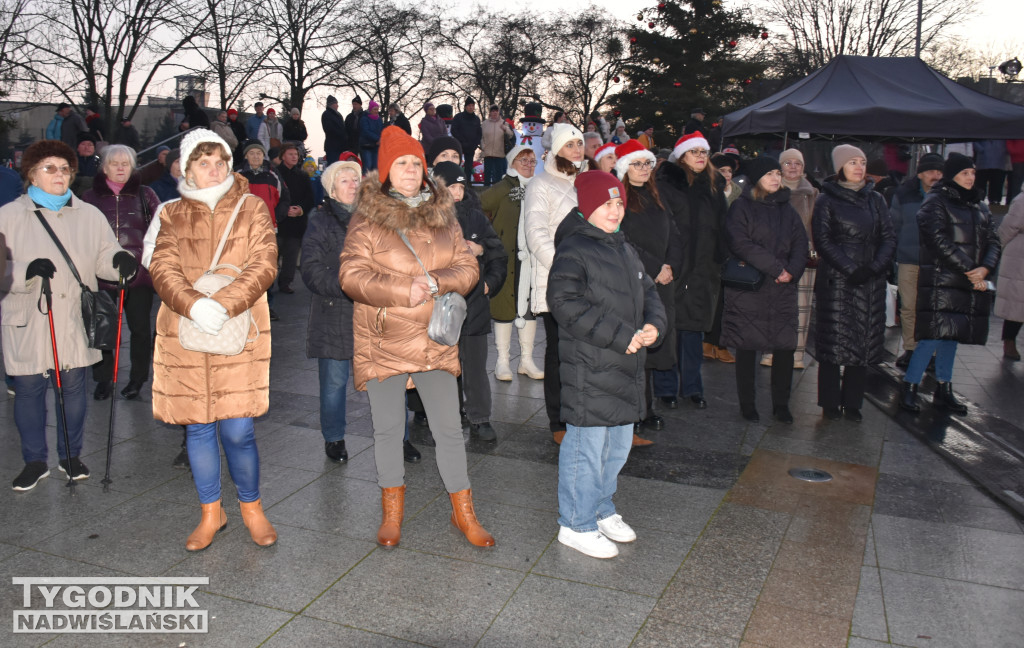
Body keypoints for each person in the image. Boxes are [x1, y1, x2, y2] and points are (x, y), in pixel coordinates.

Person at [339, 125, 494, 548]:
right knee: (389, 429)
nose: (409, 169)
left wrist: (439, 281)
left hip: (434, 338)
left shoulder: (445, 215)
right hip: (384, 339)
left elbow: (468, 267)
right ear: (387, 171)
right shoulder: (367, 218)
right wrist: (401, 289)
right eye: (401, 163)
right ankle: (392, 513)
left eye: (415, 163)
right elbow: (350, 275)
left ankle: (464, 512)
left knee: (449, 428)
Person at [149, 128, 278, 550]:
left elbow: (264, 262)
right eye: (204, 162)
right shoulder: (171, 213)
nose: (214, 169)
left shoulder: (251, 206)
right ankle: (211, 512)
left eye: (220, 161)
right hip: (186, 334)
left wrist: (222, 304)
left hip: (237, 330)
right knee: (199, 430)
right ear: (187, 169)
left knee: (239, 430)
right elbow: (162, 267)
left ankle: (252, 508)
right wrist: (193, 305)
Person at [0, 139, 133, 491]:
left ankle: (70, 455)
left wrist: (119, 261)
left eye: (64, 169)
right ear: (31, 174)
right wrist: (25, 270)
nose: (59, 174)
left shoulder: (89, 214)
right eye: (49, 168)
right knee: (29, 389)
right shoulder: (8, 215)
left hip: (74, 315)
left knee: (74, 388)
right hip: (29, 317)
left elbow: (105, 253)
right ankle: (34, 461)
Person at [547, 170, 666, 559]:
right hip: (590, 368)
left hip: (624, 368)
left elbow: (649, 292)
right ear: (587, 207)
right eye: (606, 204)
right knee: (586, 449)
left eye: (619, 204)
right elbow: (564, 303)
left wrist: (654, 325)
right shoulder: (575, 248)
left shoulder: (623, 247)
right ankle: (575, 524)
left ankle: (601, 509)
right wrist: (619, 335)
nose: (615, 211)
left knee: (616, 448)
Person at [899, 153, 1000, 414]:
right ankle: (910, 386)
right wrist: (971, 270)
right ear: (952, 175)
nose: (970, 178)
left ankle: (944, 389)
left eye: (973, 173)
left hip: (968, 281)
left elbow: (993, 240)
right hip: (942, 280)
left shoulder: (978, 205)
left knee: (952, 336)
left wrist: (985, 268)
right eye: (965, 173)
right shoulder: (936, 201)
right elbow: (937, 240)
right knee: (933, 336)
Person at [813, 145, 897, 422]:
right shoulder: (826, 200)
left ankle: (853, 402)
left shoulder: (877, 199)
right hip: (838, 280)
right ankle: (829, 401)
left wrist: (874, 267)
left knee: (863, 340)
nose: (859, 167)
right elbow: (823, 240)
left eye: (862, 162)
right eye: (852, 162)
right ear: (840, 167)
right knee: (833, 341)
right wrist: (850, 269)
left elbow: (888, 237)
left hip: (870, 280)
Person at [722, 158, 808, 422]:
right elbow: (740, 243)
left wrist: (792, 271)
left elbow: (801, 244)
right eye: (769, 173)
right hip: (751, 287)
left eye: (777, 173)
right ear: (757, 178)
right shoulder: (742, 207)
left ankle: (781, 404)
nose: (775, 178)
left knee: (784, 347)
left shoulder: (787, 209)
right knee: (747, 347)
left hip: (782, 289)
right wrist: (776, 268)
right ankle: (748, 404)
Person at [652, 132, 727, 411]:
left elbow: (722, 226)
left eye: (703, 152)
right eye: (694, 152)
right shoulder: (667, 184)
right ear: (682, 156)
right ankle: (666, 388)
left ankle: (693, 387)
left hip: (704, 270)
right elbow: (663, 227)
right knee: (670, 330)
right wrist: (667, 263)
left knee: (694, 333)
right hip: (676, 267)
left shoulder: (713, 186)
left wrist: (720, 259)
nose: (700, 156)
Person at [432, 162, 507, 440]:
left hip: (474, 305)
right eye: (451, 187)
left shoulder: (476, 217)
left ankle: (480, 418)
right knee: (443, 366)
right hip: (440, 307)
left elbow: (499, 253)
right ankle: (447, 416)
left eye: (461, 187)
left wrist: (488, 280)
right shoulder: (426, 218)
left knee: (475, 367)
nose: (457, 193)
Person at [81, 144, 161, 401]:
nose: (120, 168)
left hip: (139, 275)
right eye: (114, 163)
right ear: (104, 168)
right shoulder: (89, 198)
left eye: (125, 164)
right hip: (101, 274)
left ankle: (137, 378)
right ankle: (103, 378)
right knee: (102, 328)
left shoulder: (145, 194)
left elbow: (161, 230)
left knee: (140, 329)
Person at [614, 139, 683, 436]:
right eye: (637, 164)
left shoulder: (658, 196)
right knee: (636, 345)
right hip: (635, 281)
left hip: (662, 283)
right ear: (624, 168)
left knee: (655, 343)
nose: (643, 169)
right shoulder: (619, 198)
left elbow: (675, 234)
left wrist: (671, 265)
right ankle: (635, 410)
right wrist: (655, 268)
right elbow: (623, 239)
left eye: (647, 164)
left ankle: (647, 406)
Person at [524, 123, 586, 444]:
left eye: (580, 143)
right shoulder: (540, 184)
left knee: (584, 351)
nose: (577, 149)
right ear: (556, 148)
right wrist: (565, 267)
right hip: (557, 279)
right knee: (558, 351)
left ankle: (583, 415)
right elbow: (536, 233)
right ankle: (558, 420)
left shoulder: (585, 181)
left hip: (589, 280)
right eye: (570, 144)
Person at [300, 159, 361, 461]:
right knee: (334, 382)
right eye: (345, 180)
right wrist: (346, 285)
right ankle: (334, 437)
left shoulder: (374, 217)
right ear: (332, 189)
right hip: (334, 311)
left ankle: (398, 437)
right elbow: (310, 268)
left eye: (356, 179)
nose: (353, 185)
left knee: (386, 379)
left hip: (372, 312)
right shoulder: (320, 220)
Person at [481, 144, 546, 382]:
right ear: (512, 163)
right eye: (523, 160)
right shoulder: (501, 188)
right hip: (505, 260)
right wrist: (488, 239)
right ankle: (502, 361)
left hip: (532, 260)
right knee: (503, 308)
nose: (529, 165)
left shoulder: (539, 188)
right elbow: (478, 207)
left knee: (529, 308)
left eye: (532, 161)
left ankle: (526, 360)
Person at [891, 153, 944, 368]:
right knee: (909, 307)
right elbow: (893, 226)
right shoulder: (904, 194)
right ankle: (911, 349)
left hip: (938, 264)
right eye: (931, 171)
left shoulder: (949, 196)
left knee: (933, 309)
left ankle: (930, 353)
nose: (936, 176)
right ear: (920, 173)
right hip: (909, 260)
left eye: (939, 172)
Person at [778, 148, 820, 370]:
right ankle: (771, 351)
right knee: (774, 306)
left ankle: (797, 353)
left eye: (798, 163)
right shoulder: (771, 189)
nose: (793, 167)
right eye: (788, 163)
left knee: (802, 308)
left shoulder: (813, 193)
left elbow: (817, 225)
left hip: (804, 257)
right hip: (775, 257)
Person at [276, 143, 313, 294]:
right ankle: (267, 284)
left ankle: (286, 282)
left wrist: (300, 210)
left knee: (291, 256)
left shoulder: (303, 176)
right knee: (272, 255)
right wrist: (284, 210)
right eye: (290, 154)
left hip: (297, 223)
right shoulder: (275, 174)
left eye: (296, 154)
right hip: (279, 222)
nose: (294, 157)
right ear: (283, 156)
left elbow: (310, 198)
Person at [997, 191, 1024, 360]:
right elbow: (1008, 227)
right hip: (1019, 256)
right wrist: (995, 249)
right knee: (1016, 302)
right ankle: (1009, 341)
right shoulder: (1022, 200)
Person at [450, 98, 483, 184]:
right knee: (457, 165)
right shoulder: (458, 117)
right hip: (460, 146)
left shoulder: (476, 119)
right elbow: (454, 130)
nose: (471, 107)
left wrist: (475, 144)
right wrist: (461, 141)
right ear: (465, 107)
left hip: (471, 147)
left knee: (469, 167)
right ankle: (455, 183)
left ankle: (467, 184)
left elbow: (479, 133)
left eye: (472, 105)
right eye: (469, 105)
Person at [481, 105, 513, 186]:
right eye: (493, 111)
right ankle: (486, 190)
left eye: (496, 111)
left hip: (499, 153)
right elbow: (481, 137)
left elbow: (511, 135)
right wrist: (483, 146)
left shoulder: (504, 123)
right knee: (487, 174)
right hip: (487, 153)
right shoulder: (484, 124)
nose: (494, 113)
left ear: (499, 112)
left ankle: (498, 191)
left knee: (499, 175)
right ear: (490, 113)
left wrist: (505, 129)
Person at [973, 140, 1008, 206]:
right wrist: (981, 149)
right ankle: (978, 200)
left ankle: (995, 201)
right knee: (980, 184)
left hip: (999, 162)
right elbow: (974, 141)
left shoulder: (1003, 134)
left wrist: (1002, 150)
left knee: (997, 184)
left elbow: (1007, 142)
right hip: (982, 163)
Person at [359, 101, 384, 172]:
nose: (376, 111)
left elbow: (381, 130)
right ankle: (365, 179)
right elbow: (366, 131)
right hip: (367, 146)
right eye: (374, 109)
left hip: (376, 146)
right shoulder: (364, 119)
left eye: (377, 109)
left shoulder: (379, 119)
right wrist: (378, 139)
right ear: (370, 109)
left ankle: (374, 179)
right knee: (368, 165)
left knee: (376, 167)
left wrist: (381, 139)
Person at [322, 96, 348, 163]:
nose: (337, 105)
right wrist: (341, 133)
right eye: (336, 103)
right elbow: (329, 129)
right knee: (333, 165)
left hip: (341, 146)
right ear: (332, 104)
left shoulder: (338, 115)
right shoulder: (326, 114)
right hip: (332, 146)